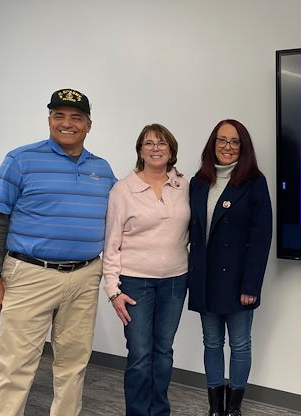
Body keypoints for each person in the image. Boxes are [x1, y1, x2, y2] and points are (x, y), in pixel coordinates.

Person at [0, 88, 116, 415]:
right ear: (49, 119)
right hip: (29, 275)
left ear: (89, 125)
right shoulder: (20, 160)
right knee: (15, 365)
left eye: (76, 117)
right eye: (59, 115)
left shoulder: (103, 169)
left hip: (84, 277)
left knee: (73, 364)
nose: (67, 123)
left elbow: (122, 218)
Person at [103, 124, 190, 415]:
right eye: (149, 143)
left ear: (171, 150)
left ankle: (159, 411)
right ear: (140, 150)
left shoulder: (182, 185)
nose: (156, 148)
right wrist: (113, 291)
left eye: (162, 143)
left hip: (176, 282)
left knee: (164, 353)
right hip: (135, 283)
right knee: (141, 355)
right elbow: (111, 244)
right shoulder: (122, 190)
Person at [188, 119, 273, 416]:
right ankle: (215, 408)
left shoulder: (254, 182)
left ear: (243, 147)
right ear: (213, 144)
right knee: (211, 342)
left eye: (234, 141)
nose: (227, 146)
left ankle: (233, 409)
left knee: (239, 344)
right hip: (205, 279)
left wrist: (252, 286)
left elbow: (261, 238)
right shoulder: (198, 182)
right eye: (221, 140)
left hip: (239, 282)